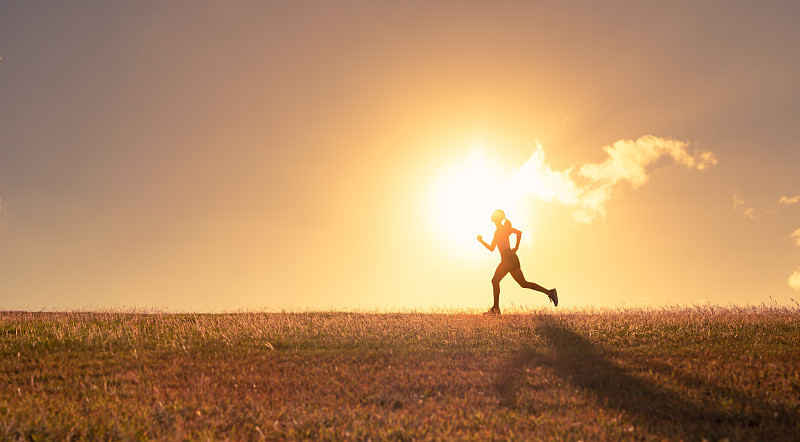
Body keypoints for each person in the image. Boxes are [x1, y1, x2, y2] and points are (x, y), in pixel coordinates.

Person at [477, 209, 557, 315]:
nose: (491, 217)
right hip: (511, 259)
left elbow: (519, 233)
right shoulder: (498, 231)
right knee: (523, 284)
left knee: (495, 281)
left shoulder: (503, 229)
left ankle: (496, 309)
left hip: (508, 258)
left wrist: (516, 247)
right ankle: (550, 292)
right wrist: (481, 241)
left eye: (493, 215)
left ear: (497, 218)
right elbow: (492, 248)